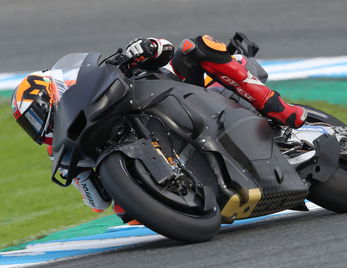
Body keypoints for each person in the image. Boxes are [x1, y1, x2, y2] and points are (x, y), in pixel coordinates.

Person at [11, 34, 307, 224]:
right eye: (31, 125)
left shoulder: (100, 80)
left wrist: (141, 49)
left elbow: (162, 47)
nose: (40, 127)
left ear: (56, 93)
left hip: (191, 94)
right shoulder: (65, 151)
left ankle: (282, 110)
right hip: (181, 176)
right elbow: (99, 204)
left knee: (196, 47)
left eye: (38, 115)